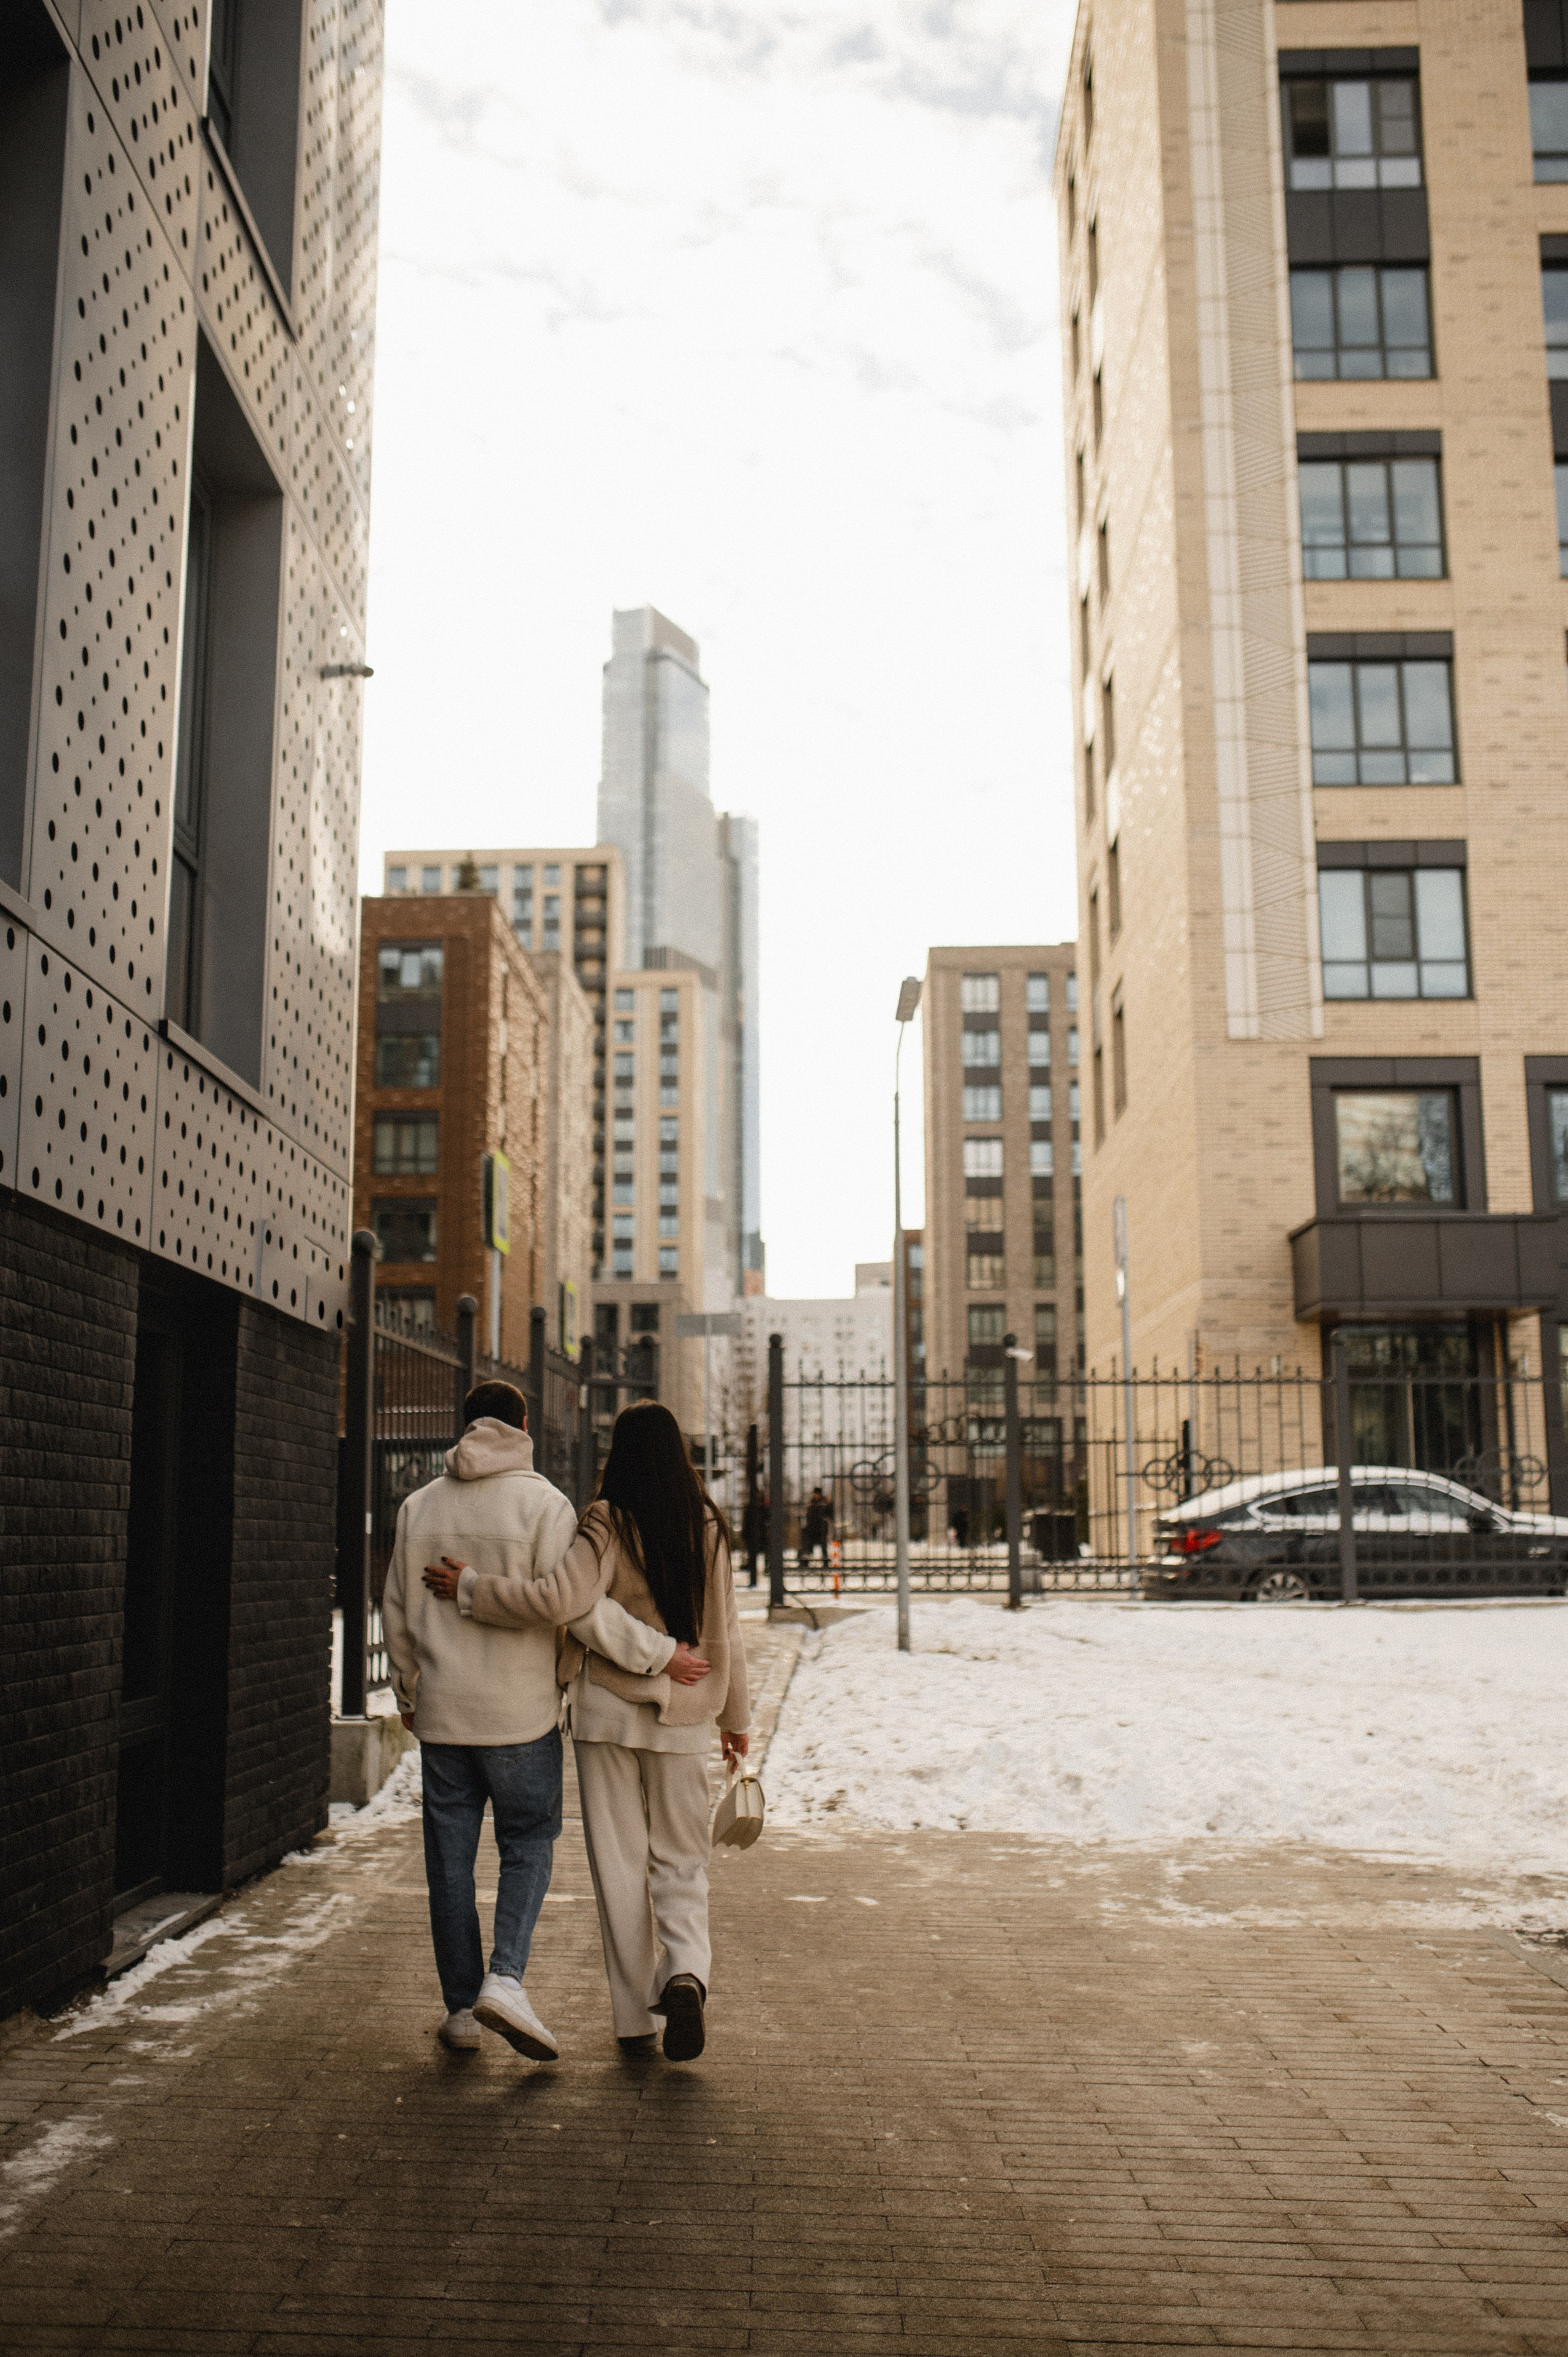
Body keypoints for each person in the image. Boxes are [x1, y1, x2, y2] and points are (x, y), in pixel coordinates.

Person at [382, 1380, 709, 2060]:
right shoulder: (546, 1506)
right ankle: (506, 1978)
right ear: (524, 1423)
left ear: (465, 1424)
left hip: (442, 1716)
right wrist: (654, 1655)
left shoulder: (418, 1507)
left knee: (448, 1862)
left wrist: (408, 1692)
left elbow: (396, 1612)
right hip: (522, 1716)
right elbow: (578, 1611)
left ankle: (460, 2010)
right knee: (527, 1842)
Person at [801, 1484, 834, 1569]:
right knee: (808, 1544)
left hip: (822, 1527)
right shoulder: (812, 1502)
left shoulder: (825, 1502)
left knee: (823, 1545)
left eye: (817, 1493)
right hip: (812, 1527)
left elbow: (830, 1514)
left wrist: (826, 1520)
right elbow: (809, 1514)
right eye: (815, 1494)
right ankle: (805, 1561)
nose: (816, 1495)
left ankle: (825, 1562)